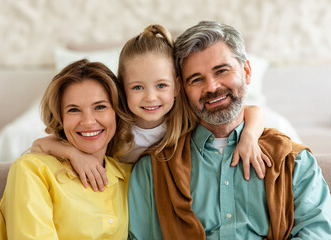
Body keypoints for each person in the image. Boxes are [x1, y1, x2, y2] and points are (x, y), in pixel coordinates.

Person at [128, 21, 331, 239]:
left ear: (246, 71)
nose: (212, 87)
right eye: (196, 79)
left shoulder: (294, 161)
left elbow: (317, 232)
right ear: (181, 89)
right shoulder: (152, 172)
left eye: (221, 71)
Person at [32, 24, 270, 192]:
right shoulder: (115, 123)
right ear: (122, 90)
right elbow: (40, 144)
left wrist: (248, 137)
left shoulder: (184, 115)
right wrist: (75, 155)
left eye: (161, 85)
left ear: (177, 87)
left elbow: (252, 111)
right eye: (137, 87)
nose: (151, 97)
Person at [0, 59, 132, 239]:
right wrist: (71, 152)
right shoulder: (33, 170)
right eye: (74, 110)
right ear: (60, 118)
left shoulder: (128, 177)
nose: (88, 121)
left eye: (100, 107)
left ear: (117, 112)